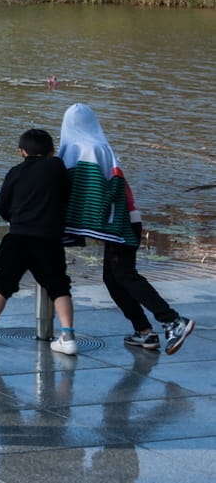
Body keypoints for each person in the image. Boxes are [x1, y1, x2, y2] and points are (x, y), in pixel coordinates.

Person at [59, 103, 195, 355]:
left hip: (121, 221)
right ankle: (144, 332)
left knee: (124, 275)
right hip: (125, 219)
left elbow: (97, 190)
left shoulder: (88, 149)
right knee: (113, 278)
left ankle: (174, 321)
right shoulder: (99, 147)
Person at [0, 128, 78, 356]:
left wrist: (15, 219)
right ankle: (67, 336)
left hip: (17, 237)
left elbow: (1, 205)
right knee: (59, 286)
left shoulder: (15, 172)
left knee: (2, 283)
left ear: (21, 152)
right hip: (49, 239)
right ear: (52, 151)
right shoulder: (57, 167)